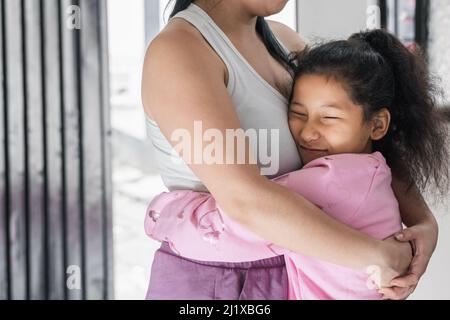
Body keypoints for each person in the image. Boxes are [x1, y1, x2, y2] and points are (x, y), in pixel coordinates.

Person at [141, 0, 440, 300]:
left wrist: (423, 224)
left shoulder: (284, 41)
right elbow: (244, 201)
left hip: (304, 273)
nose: (309, 130)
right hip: (220, 282)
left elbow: (365, 140)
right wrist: (377, 257)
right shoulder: (180, 51)